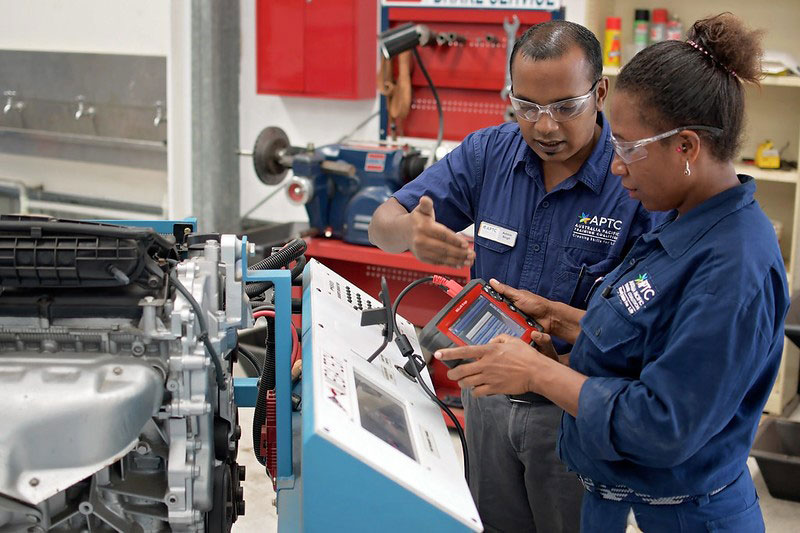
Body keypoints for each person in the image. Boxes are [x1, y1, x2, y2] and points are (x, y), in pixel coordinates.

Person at [436, 13, 789, 532]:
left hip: (676, 515)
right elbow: (649, 339)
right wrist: (556, 321)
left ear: (686, 147)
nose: (615, 165)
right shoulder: (681, 225)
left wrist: (539, 374)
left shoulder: (733, 268)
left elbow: (661, 423)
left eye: (626, 148)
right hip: (612, 497)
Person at [369, 21, 659, 533]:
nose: (545, 127)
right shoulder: (489, 154)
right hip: (487, 403)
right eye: (526, 107)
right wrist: (411, 233)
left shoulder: (632, 177)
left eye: (565, 107)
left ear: (600, 93)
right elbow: (381, 225)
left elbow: (653, 324)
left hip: (574, 410)